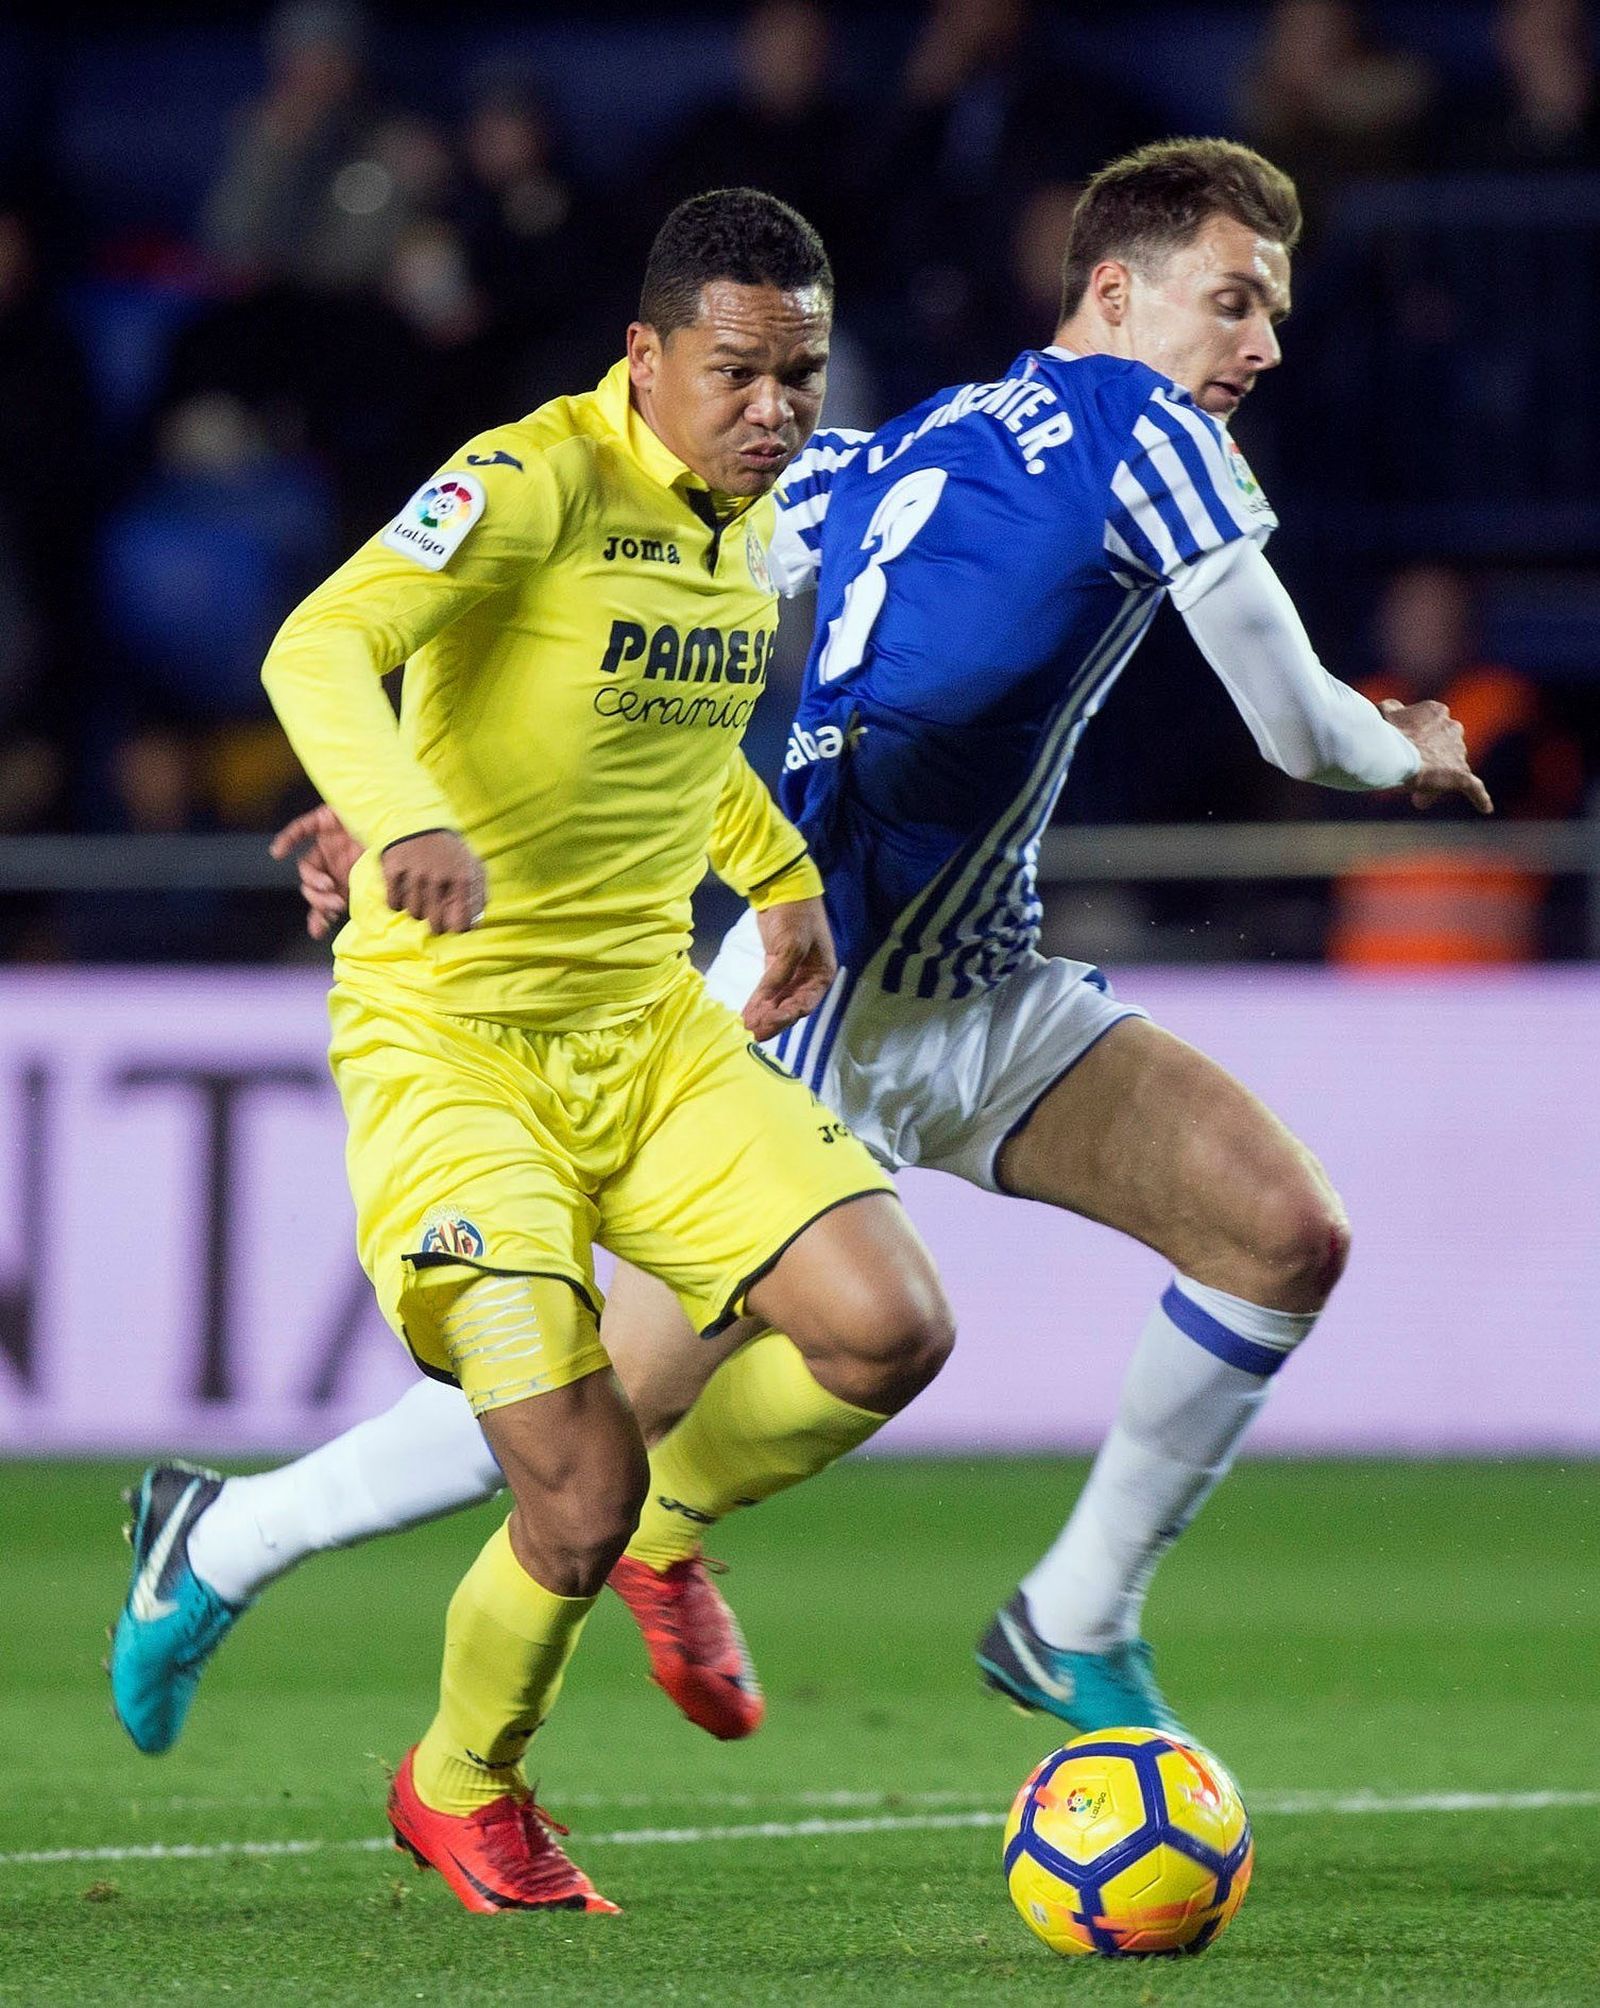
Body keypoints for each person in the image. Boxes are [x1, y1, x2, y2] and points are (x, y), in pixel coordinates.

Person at [113, 140, 1487, 1786]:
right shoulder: (1152, 434)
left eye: (1274, 313)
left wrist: (417, 788)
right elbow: (1299, 730)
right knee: (577, 1429)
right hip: (804, 1006)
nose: (1260, 345)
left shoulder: (898, 445)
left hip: (980, 985)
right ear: (1116, 295)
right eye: (1235, 301)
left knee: (1278, 1234)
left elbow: (603, 641)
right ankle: (226, 1538)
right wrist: (1406, 745)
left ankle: (1072, 1613)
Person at [111, 188, 955, 1917]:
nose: (776, 411)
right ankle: (462, 1784)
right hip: (456, 1042)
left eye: (800, 375)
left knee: (887, 1328)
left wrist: (780, 878)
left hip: (646, 1028)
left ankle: (666, 1531)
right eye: (738, 372)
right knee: (572, 1485)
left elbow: (666, 741)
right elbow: (319, 644)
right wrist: (398, 813)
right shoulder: (531, 480)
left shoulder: (751, 523)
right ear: (644, 358)